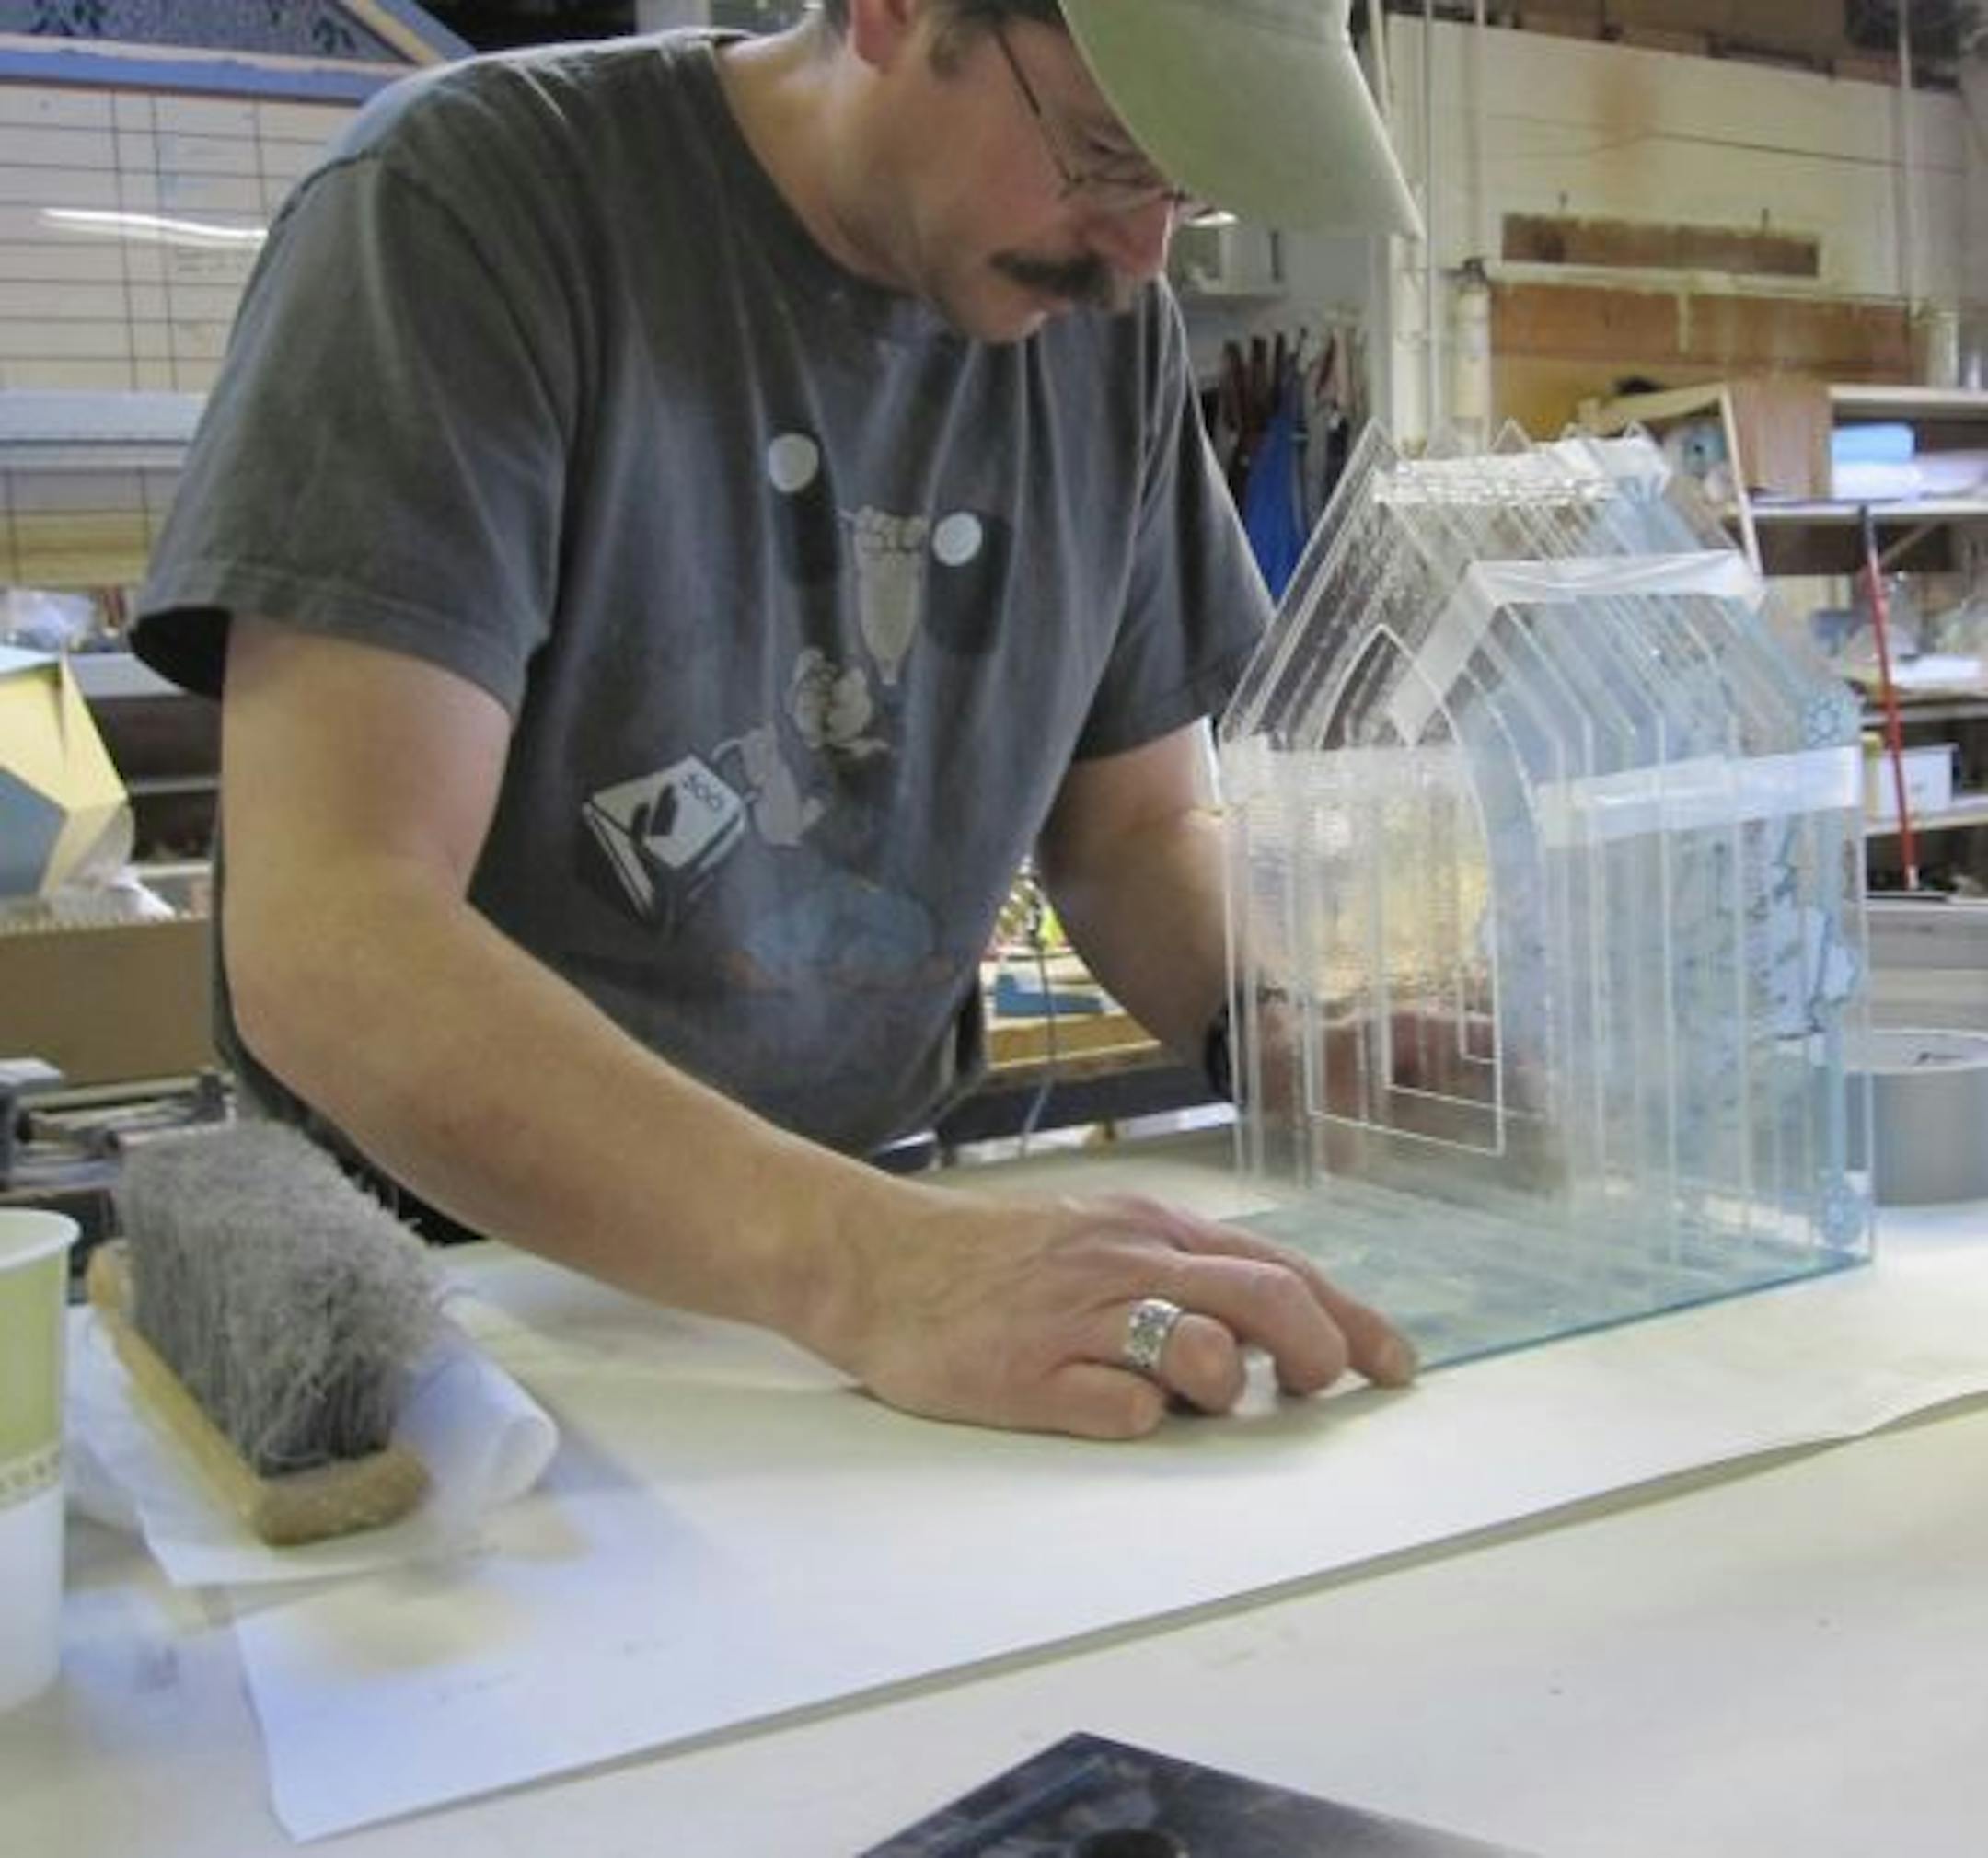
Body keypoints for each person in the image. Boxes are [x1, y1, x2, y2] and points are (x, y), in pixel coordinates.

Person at [132, 0, 1424, 1439]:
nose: (1139, 257)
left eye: (1187, 186)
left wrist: (1287, 1039)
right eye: (1111, 152)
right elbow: (331, 938)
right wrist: (867, 1266)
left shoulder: (1099, 336)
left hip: (876, 1258)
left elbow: (1134, 828)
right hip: (458, 1300)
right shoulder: (470, 206)